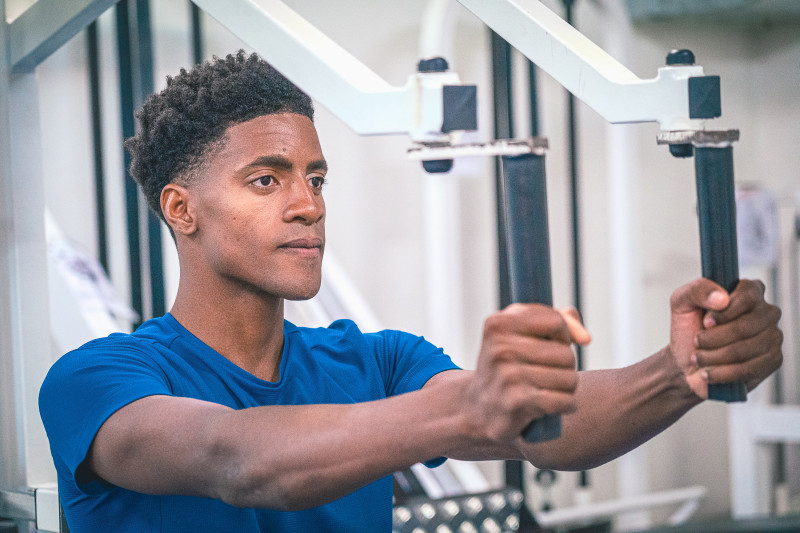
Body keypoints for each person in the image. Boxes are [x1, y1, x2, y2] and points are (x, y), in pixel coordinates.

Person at [39, 51, 783, 533]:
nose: (308, 205)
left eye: (316, 179)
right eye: (266, 180)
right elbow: (236, 459)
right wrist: (468, 407)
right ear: (181, 209)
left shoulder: (379, 362)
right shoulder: (97, 380)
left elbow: (549, 429)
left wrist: (682, 370)